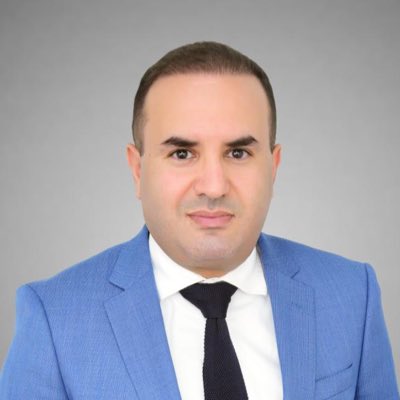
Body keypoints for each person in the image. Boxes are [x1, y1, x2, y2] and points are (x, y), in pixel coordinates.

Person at [0, 42, 398, 400]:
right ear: (137, 170)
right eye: (182, 154)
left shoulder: (352, 295)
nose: (213, 186)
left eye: (238, 153)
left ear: (273, 167)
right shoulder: (54, 318)